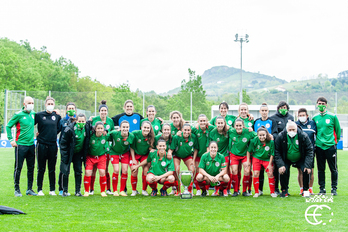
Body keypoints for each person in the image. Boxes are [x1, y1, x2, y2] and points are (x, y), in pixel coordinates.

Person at [6, 96, 37, 197]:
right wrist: (11, 140)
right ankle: (17, 189)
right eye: (29, 102)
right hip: (20, 146)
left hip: (31, 145)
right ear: (24, 104)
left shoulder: (33, 114)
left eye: (32, 102)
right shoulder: (18, 115)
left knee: (31, 168)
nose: (31, 104)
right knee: (18, 167)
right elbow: (8, 126)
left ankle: (29, 189)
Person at [274, 121, 313, 198]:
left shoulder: (303, 136)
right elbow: (277, 151)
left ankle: (305, 191)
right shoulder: (281, 136)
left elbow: (309, 150)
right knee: (283, 170)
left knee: (306, 170)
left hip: (300, 158)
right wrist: (280, 165)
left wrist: (308, 165)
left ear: (296, 129)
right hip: (286, 158)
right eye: (290, 130)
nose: (292, 131)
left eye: (293, 129)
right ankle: (284, 190)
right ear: (286, 129)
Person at [312, 97, 341, 195]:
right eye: (319, 103)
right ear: (317, 104)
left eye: (323, 103)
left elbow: (337, 130)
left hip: (330, 146)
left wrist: (334, 143)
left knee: (333, 168)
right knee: (321, 169)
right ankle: (322, 189)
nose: (321, 105)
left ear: (326, 105)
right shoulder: (315, 118)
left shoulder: (332, 116)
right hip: (319, 147)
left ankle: (334, 188)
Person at [35, 96, 62, 196]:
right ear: (45, 104)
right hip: (41, 145)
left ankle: (52, 190)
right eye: (48, 104)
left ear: (54, 105)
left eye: (52, 104)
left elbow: (59, 128)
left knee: (52, 168)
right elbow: (30, 124)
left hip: (53, 145)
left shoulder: (57, 116)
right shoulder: (39, 115)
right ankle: (39, 189)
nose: (50, 105)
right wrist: (37, 134)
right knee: (41, 168)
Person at [59, 114, 90, 197]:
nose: (81, 123)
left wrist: (105, 130)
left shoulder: (87, 128)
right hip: (69, 152)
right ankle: (65, 190)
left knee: (78, 171)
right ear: (76, 121)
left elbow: (96, 128)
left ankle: (77, 191)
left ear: (85, 121)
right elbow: (63, 143)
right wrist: (64, 155)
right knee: (65, 171)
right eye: (79, 121)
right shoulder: (69, 129)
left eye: (83, 121)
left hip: (78, 153)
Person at [89, 100, 115, 195]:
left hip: (106, 149)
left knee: (105, 169)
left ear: (107, 111)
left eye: (105, 110)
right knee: (93, 170)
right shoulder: (94, 120)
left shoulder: (110, 121)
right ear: (99, 111)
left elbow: (112, 134)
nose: (103, 112)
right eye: (102, 110)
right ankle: (91, 189)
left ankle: (108, 189)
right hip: (94, 148)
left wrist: (107, 132)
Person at [269, 100, 294, 195]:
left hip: (287, 148)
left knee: (286, 168)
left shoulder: (291, 118)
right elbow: (274, 132)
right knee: (276, 169)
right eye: (281, 108)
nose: (283, 109)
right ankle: (275, 188)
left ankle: (285, 188)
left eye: (285, 108)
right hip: (277, 146)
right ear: (278, 108)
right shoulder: (273, 118)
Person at [253, 103, 277, 195]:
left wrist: (271, 136)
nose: (264, 112)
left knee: (270, 171)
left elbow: (275, 134)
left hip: (268, 150)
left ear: (268, 111)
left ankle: (273, 190)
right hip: (258, 150)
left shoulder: (272, 121)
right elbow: (253, 134)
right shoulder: (256, 122)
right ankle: (259, 190)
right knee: (258, 172)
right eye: (262, 110)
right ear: (260, 112)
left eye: (265, 110)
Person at [229, 118, 257, 197]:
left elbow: (258, 137)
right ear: (234, 126)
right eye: (237, 126)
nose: (238, 127)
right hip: (234, 154)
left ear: (243, 126)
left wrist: (269, 136)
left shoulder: (248, 132)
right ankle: (235, 190)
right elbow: (222, 127)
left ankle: (244, 191)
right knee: (234, 171)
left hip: (245, 155)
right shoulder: (231, 131)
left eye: (240, 125)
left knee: (247, 171)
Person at [169, 123, 198, 196]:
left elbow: (196, 149)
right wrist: (169, 153)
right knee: (176, 169)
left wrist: (193, 160)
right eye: (185, 130)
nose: (187, 132)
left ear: (190, 130)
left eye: (188, 130)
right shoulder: (177, 137)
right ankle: (178, 191)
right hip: (177, 155)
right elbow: (172, 148)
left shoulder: (193, 137)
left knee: (192, 169)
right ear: (182, 130)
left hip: (187, 155)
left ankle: (189, 190)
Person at [106, 120, 134, 196]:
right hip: (114, 152)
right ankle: (115, 190)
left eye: (127, 127)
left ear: (129, 128)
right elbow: (106, 136)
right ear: (120, 128)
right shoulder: (114, 133)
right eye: (123, 127)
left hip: (124, 153)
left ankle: (122, 190)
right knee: (116, 170)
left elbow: (132, 147)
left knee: (125, 170)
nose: (125, 128)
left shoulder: (131, 136)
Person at [247, 127, 277, 198]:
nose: (262, 137)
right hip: (256, 158)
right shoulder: (254, 141)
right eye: (260, 135)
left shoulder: (271, 142)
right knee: (256, 173)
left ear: (266, 134)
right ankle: (257, 192)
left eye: (263, 135)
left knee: (270, 173)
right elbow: (249, 151)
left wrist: (270, 164)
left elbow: (272, 154)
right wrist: (248, 161)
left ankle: (272, 192)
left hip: (266, 159)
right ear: (257, 135)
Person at [129, 121, 155, 196]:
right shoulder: (135, 133)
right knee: (134, 170)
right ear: (141, 127)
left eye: (148, 128)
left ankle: (144, 190)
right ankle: (134, 190)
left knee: (146, 171)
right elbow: (132, 147)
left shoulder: (151, 136)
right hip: (135, 154)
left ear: (150, 129)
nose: (146, 129)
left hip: (145, 155)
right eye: (145, 127)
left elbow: (151, 147)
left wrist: (151, 150)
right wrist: (133, 159)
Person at [191, 114, 215, 196]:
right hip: (198, 155)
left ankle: (206, 189)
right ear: (198, 122)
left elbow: (217, 127)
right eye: (201, 121)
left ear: (207, 121)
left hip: (207, 156)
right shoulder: (195, 130)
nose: (202, 122)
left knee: (207, 173)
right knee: (198, 173)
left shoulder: (210, 129)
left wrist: (209, 124)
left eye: (204, 120)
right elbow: (186, 129)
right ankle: (198, 189)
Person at [83, 122, 108, 197]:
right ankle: (87, 191)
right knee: (88, 172)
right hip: (90, 157)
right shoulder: (90, 135)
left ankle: (103, 191)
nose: (100, 130)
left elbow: (113, 133)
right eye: (98, 128)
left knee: (102, 172)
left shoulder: (105, 135)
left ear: (103, 129)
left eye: (101, 128)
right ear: (95, 129)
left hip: (101, 157)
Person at [296, 108, 317, 195]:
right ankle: (302, 189)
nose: (302, 117)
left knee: (310, 170)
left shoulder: (312, 124)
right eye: (300, 116)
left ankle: (310, 188)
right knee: (300, 171)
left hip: (310, 151)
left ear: (307, 116)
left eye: (303, 115)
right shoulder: (295, 125)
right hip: (299, 152)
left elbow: (316, 135)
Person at [208, 116, 231, 195]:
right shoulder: (212, 132)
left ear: (225, 123)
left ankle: (225, 189)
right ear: (215, 123)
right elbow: (210, 145)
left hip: (225, 155)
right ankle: (216, 190)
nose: (220, 124)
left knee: (224, 173)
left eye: (222, 123)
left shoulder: (229, 130)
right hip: (215, 155)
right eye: (218, 123)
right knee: (215, 172)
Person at [58, 102, 77, 195]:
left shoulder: (78, 121)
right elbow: (56, 131)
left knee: (76, 169)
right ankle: (61, 189)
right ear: (66, 110)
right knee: (64, 169)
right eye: (69, 108)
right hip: (65, 149)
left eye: (72, 108)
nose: (71, 110)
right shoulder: (62, 121)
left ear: (75, 110)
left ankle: (76, 190)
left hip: (75, 149)